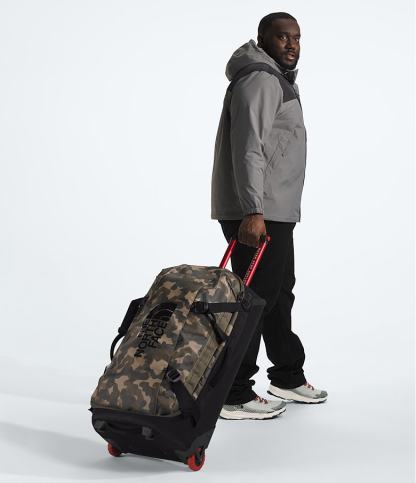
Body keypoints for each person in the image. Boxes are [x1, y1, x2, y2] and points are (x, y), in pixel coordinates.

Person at [210, 12, 328, 420]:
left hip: (274, 208)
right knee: (254, 300)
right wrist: (253, 210)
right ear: (263, 39)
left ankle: (287, 375)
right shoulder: (260, 79)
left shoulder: (275, 78)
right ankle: (233, 392)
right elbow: (249, 147)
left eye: (296, 37)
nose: (292, 45)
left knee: (277, 293)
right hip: (258, 209)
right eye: (282, 37)